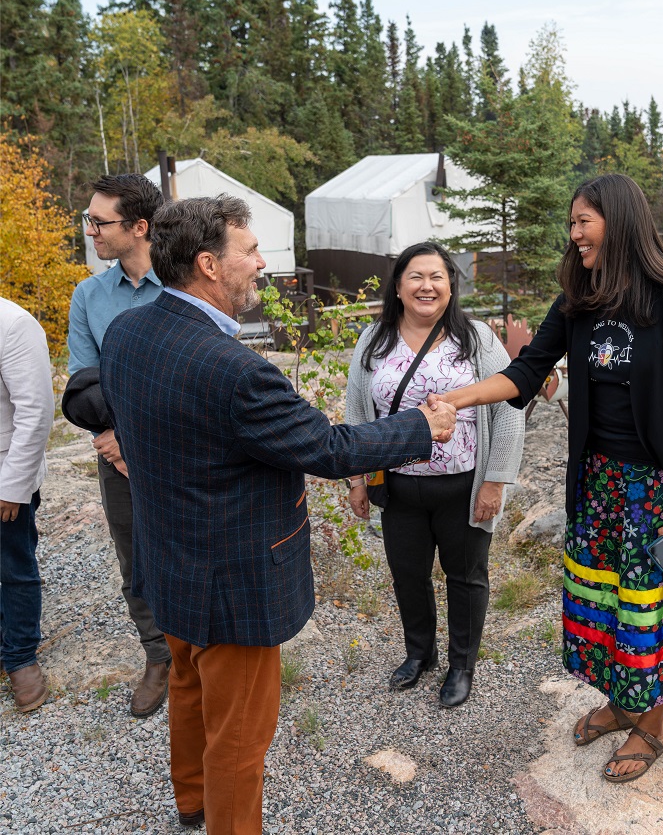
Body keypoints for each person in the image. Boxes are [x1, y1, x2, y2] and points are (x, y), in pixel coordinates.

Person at [99, 195, 456, 834]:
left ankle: (191, 801)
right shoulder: (234, 369)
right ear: (210, 265)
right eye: (251, 250)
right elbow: (328, 447)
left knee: (186, 684)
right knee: (239, 737)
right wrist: (420, 427)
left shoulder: (128, 331)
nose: (263, 263)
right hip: (231, 587)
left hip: (169, 564)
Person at [431, 174, 663, 782]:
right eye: (571, 223)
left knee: (650, 610)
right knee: (605, 604)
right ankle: (623, 702)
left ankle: (652, 725)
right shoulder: (578, 300)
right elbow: (525, 372)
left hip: (661, 491)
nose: (574, 234)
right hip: (597, 484)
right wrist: (454, 398)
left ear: (616, 220)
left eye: (582, 221)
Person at [345, 242, 525, 708]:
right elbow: (357, 411)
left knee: (466, 576)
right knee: (407, 573)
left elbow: (509, 409)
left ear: (450, 286)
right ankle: (418, 653)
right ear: (399, 287)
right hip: (398, 485)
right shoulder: (374, 339)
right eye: (416, 277)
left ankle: (461, 664)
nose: (427, 286)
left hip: (462, 485)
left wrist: (494, 480)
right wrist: (358, 478)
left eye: (437, 277)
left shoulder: (476, 338)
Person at [67, 173, 171, 717]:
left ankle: (199, 645)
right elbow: (84, 379)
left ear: (139, 226)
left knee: (193, 545)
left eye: (98, 222)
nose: (90, 232)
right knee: (136, 557)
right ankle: (158, 655)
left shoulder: (183, 283)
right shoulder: (89, 296)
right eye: (89, 220)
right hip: (119, 456)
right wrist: (112, 442)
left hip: (184, 449)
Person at [0, 297, 54, 713]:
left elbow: (35, 413)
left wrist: (12, 488)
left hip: (4, 478)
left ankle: (19, 657)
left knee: (14, 569)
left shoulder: (14, 324)